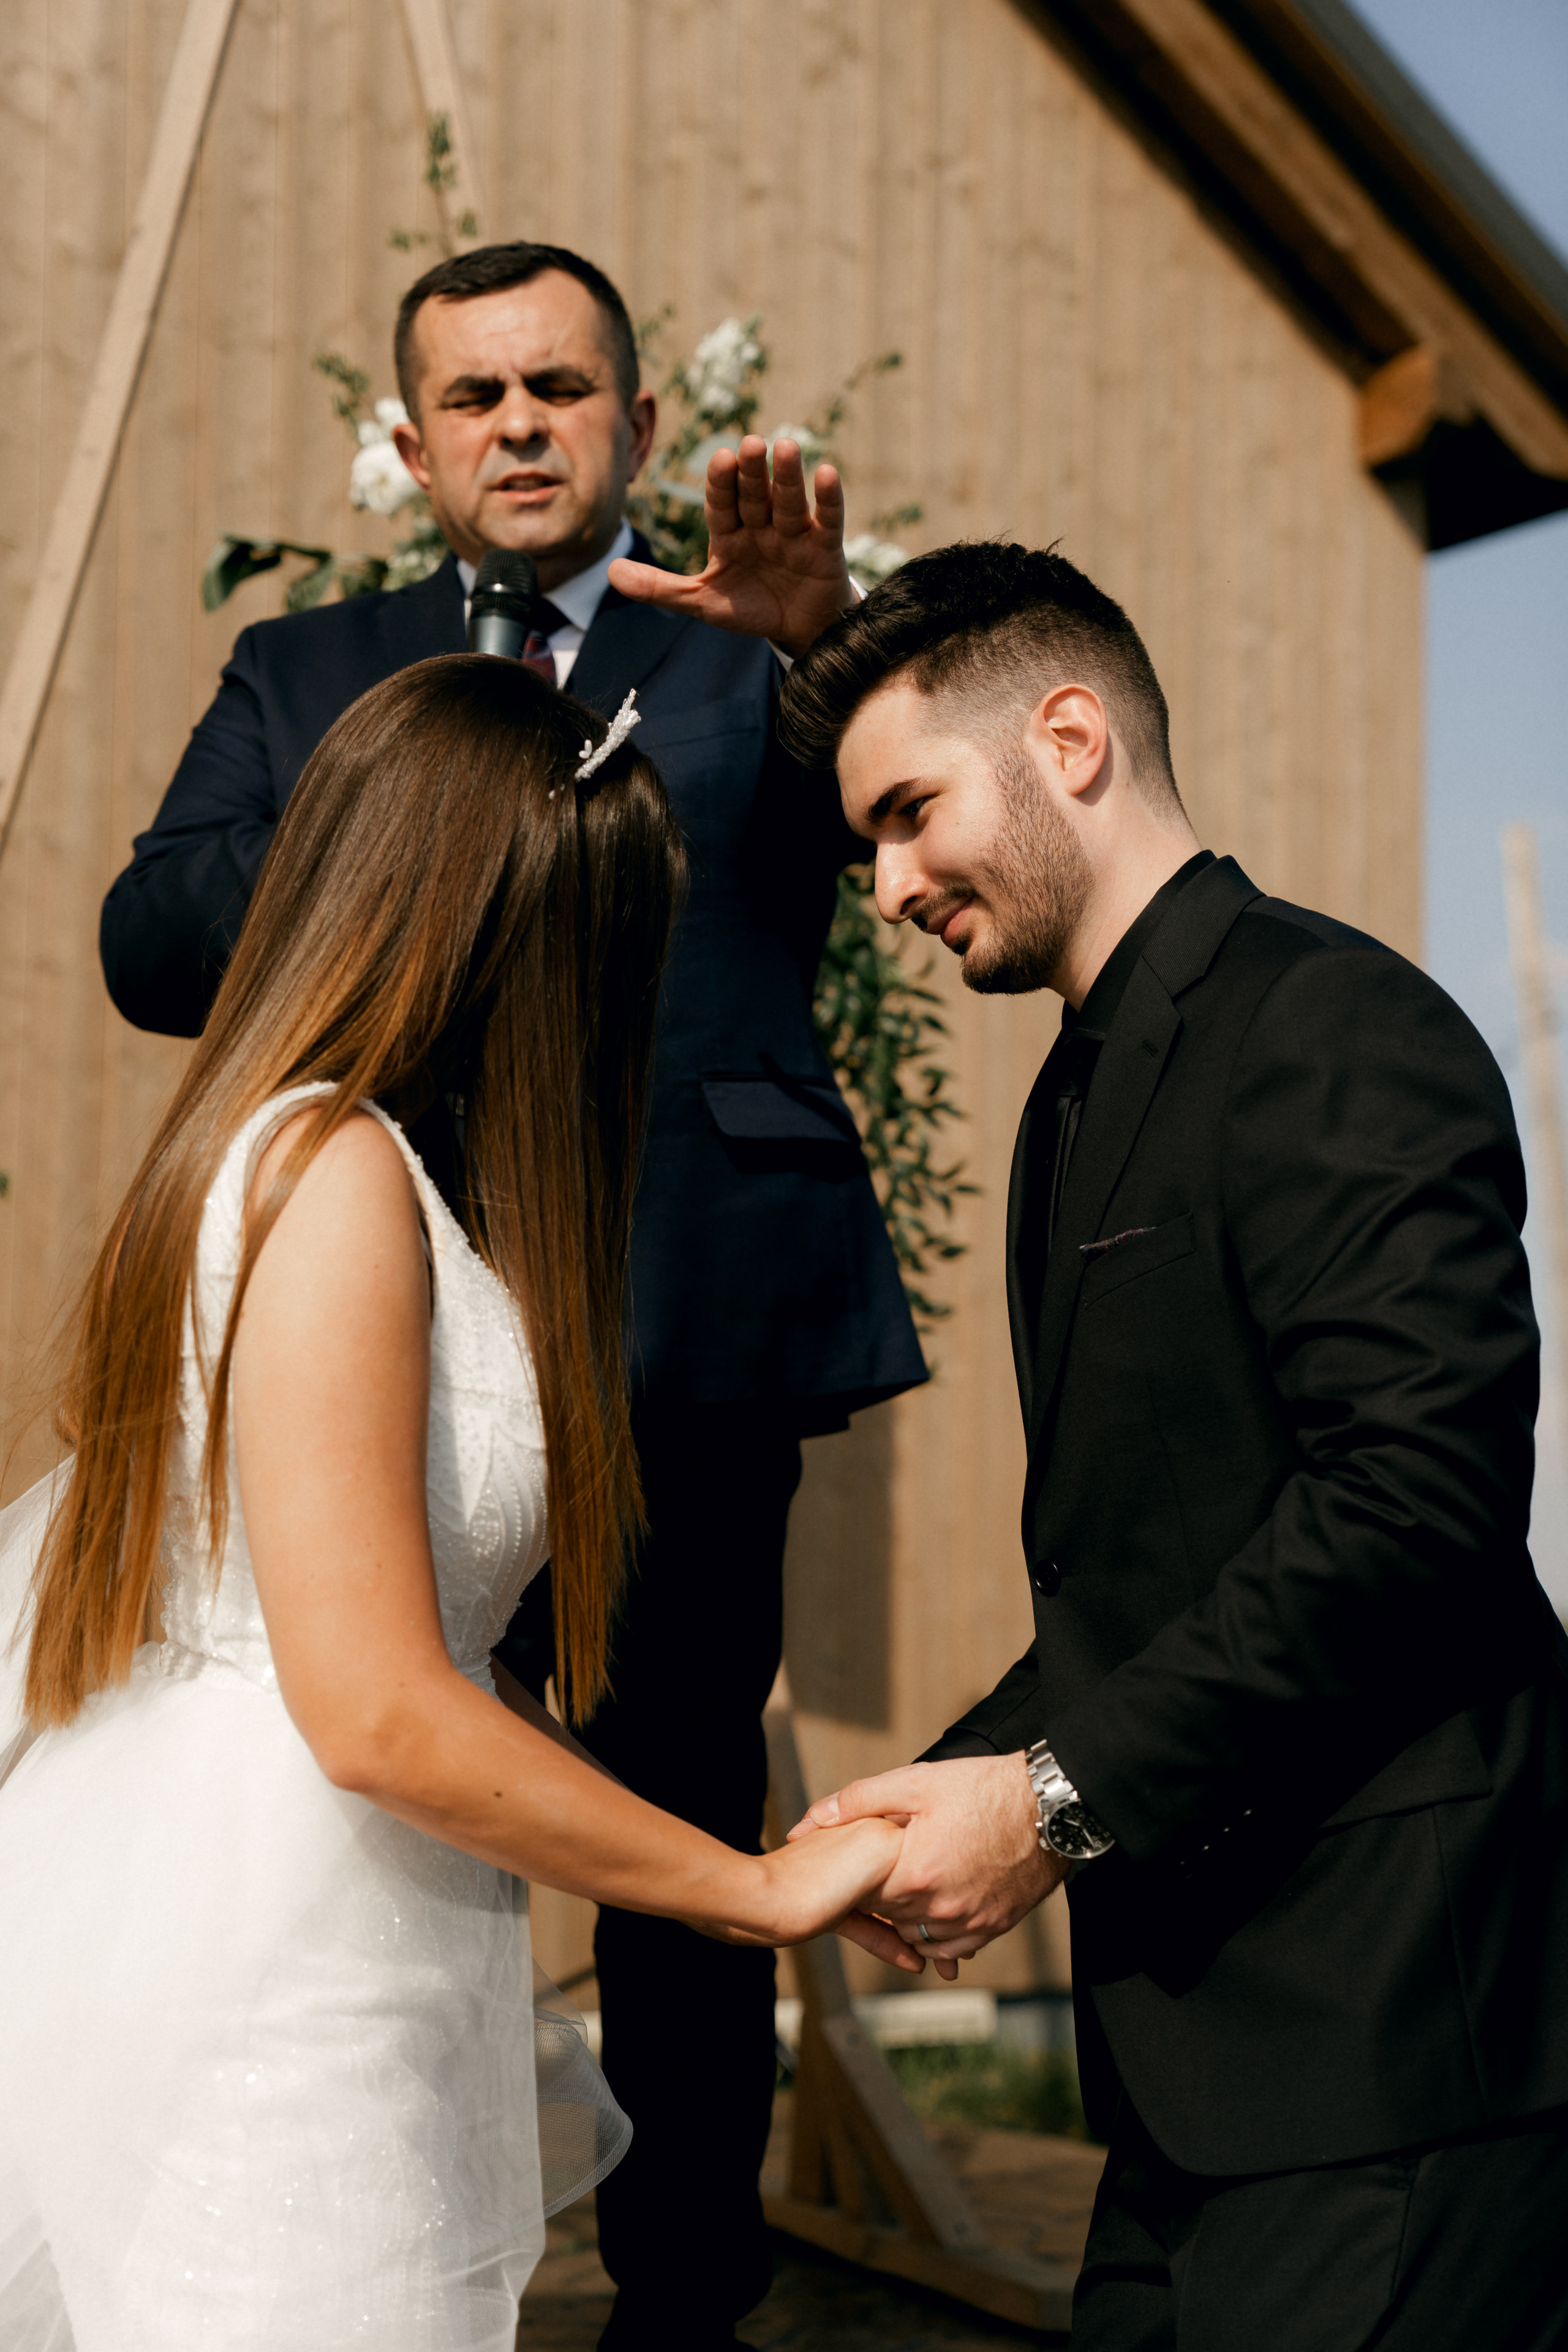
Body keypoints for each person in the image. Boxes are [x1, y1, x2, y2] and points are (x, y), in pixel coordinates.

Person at [97, 239, 925, 2343]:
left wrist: (831, 648)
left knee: (673, 1811)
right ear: (413, 440)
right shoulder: (317, 674)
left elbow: (925, 816)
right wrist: (412, 795)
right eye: (475, 398)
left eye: (561, 388)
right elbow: (150, 943)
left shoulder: (753, 648)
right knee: (375, 1776)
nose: (520, 425)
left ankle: (683, 2304)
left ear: (640, 424)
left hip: (691, 1328)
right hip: (390, 1329)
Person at [777, 543, 1568, 2351]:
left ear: (1069, 737)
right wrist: (938, 1789)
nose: (889, 887)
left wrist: (1048, 1809)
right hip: (1189, 2079)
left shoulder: (1336, 1025)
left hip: (1393, 2057)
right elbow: (1159, 1568)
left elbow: (1413, 1505)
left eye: (907, 814)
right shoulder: (1070, 1100)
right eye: (865, 849)